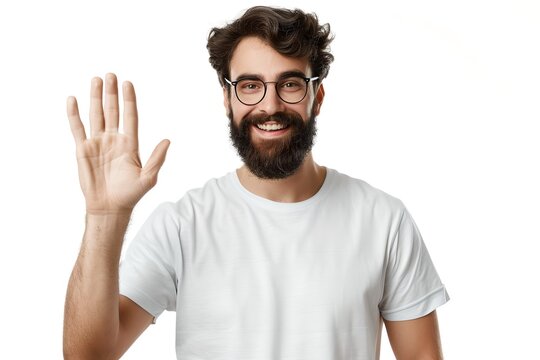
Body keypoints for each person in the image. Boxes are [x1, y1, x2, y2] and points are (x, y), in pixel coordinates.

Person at [63, 6, 449, 360]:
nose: (270, 105)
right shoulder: (182, 226)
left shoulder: (383, 221)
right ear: (228, 99)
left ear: (318, 96)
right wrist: (106, 216)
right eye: (250, 85)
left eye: (291, 84)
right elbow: (87, 355)